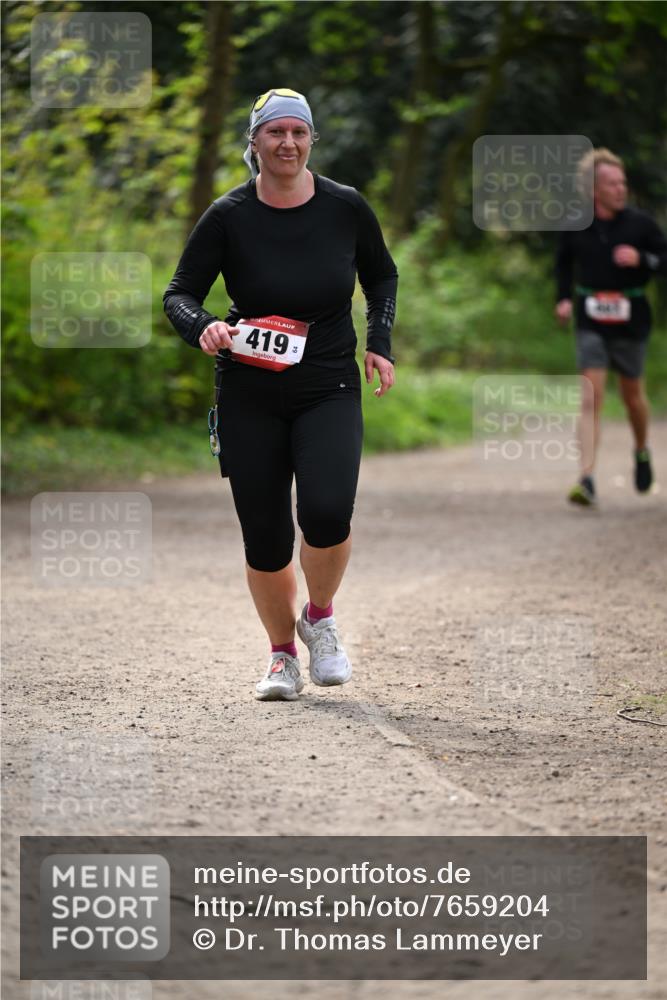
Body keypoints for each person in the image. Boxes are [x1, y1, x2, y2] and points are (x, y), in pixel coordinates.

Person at [163, 88, 397, 701]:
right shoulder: (229, 215)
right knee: (264, 535)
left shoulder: (345, 207)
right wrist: (203, 325)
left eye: (298, 132)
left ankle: (318, 617)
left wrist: (380, 341)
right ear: (256, 141)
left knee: (326, 512)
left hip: (328, 383)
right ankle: (281, 657)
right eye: (275, 133)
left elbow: (381, 274)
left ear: (311, 139)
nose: (287, 143)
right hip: (248, 390)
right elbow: (179, 293)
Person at [555, 147, 666, 506]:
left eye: (623, 183)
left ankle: (641, 449)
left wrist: (642, 259)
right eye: (612, 183)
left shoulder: (642, 225)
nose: (621, 189)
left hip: (632, 319)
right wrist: (564, 299)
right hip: (591, 320)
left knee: (633, 397)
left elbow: (664, 260)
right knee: (592, 398)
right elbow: (562, 265)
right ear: (592, 190)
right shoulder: (575, 223)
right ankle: (586, 478)